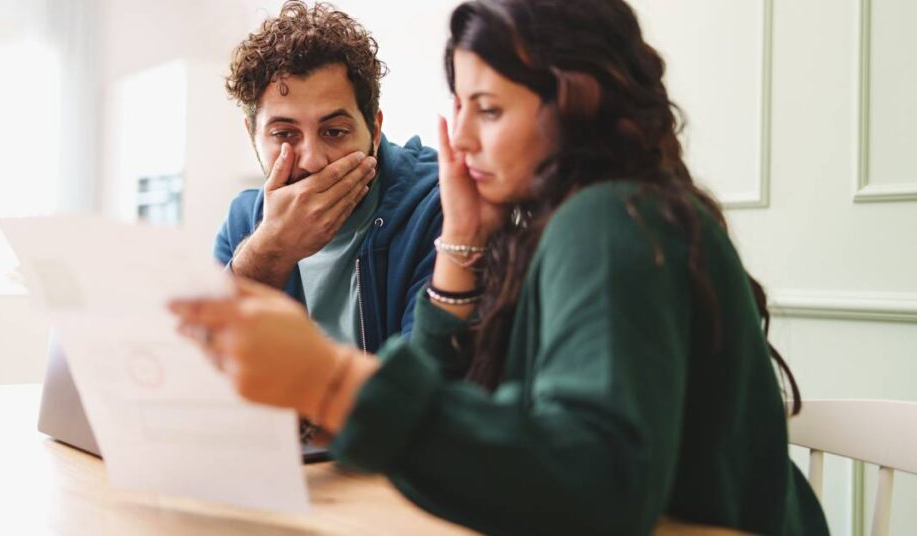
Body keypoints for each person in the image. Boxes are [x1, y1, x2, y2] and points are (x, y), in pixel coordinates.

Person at [172, 0, 830, 534]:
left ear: (575, 105)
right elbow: (472, 407)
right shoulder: (562, 222)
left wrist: (332, 381)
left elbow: (599, 487)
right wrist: (461, 239)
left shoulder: (610, 221)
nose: (457, 139)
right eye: (462, 109)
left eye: (488, 110)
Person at [215, 1, 442, 353]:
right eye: (285, 134)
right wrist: (269, 249)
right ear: (252, 136)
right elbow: (202, 370)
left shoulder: (434, 209)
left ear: (375, 129)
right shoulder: (245, 222)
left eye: (334, 131)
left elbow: (425, 389)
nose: (312, 161)